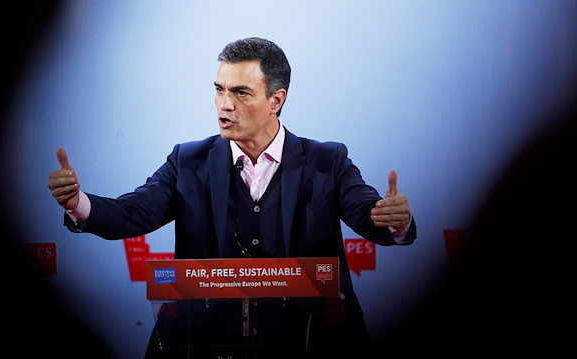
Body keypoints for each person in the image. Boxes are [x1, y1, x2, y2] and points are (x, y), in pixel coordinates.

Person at [48, 37, 416, 358]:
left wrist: (395, 221)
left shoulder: (327, 161)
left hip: (309, 341)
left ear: (276, 100)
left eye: (240, 93)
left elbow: (371, 216)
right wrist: (79, 203)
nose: (224, 104)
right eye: (219, 89)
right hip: (204, 343)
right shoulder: (188, 161)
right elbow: (133, 212)